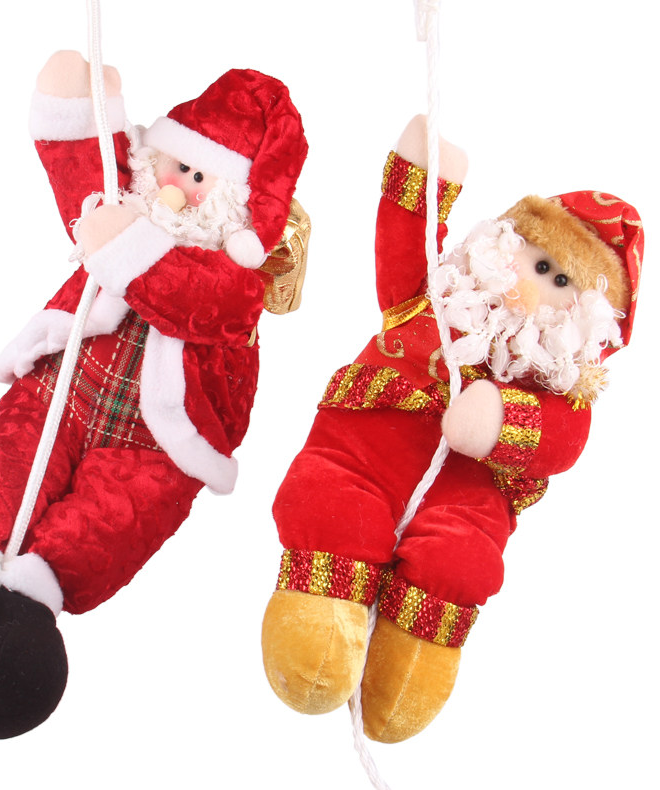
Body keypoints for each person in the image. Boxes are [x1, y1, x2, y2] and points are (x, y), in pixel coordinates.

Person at [0, 51, 307, 739]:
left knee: (117, 514)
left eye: (203, 178)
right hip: (63, 387)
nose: (181, 188)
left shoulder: (236, 286)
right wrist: (80, 108)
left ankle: (31, 606)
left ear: (243, 208)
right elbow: (85, 176)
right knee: (8, 460)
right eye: (177, 166)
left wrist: (125, 245)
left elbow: (198, 298)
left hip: (157, 440)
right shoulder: (123, 207)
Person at [261, 114, 642, 744]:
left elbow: (564, 440)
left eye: (561, 283)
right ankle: (319, 624)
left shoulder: (561, 384)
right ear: (504, 245)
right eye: (537, 262)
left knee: (459, 558)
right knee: (332, 505)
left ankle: (409, 663)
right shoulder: (435, 297)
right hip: (361, 452)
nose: (533, 289)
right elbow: (404, 241)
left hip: (466, 500)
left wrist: (498, 421)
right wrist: (425, 172)